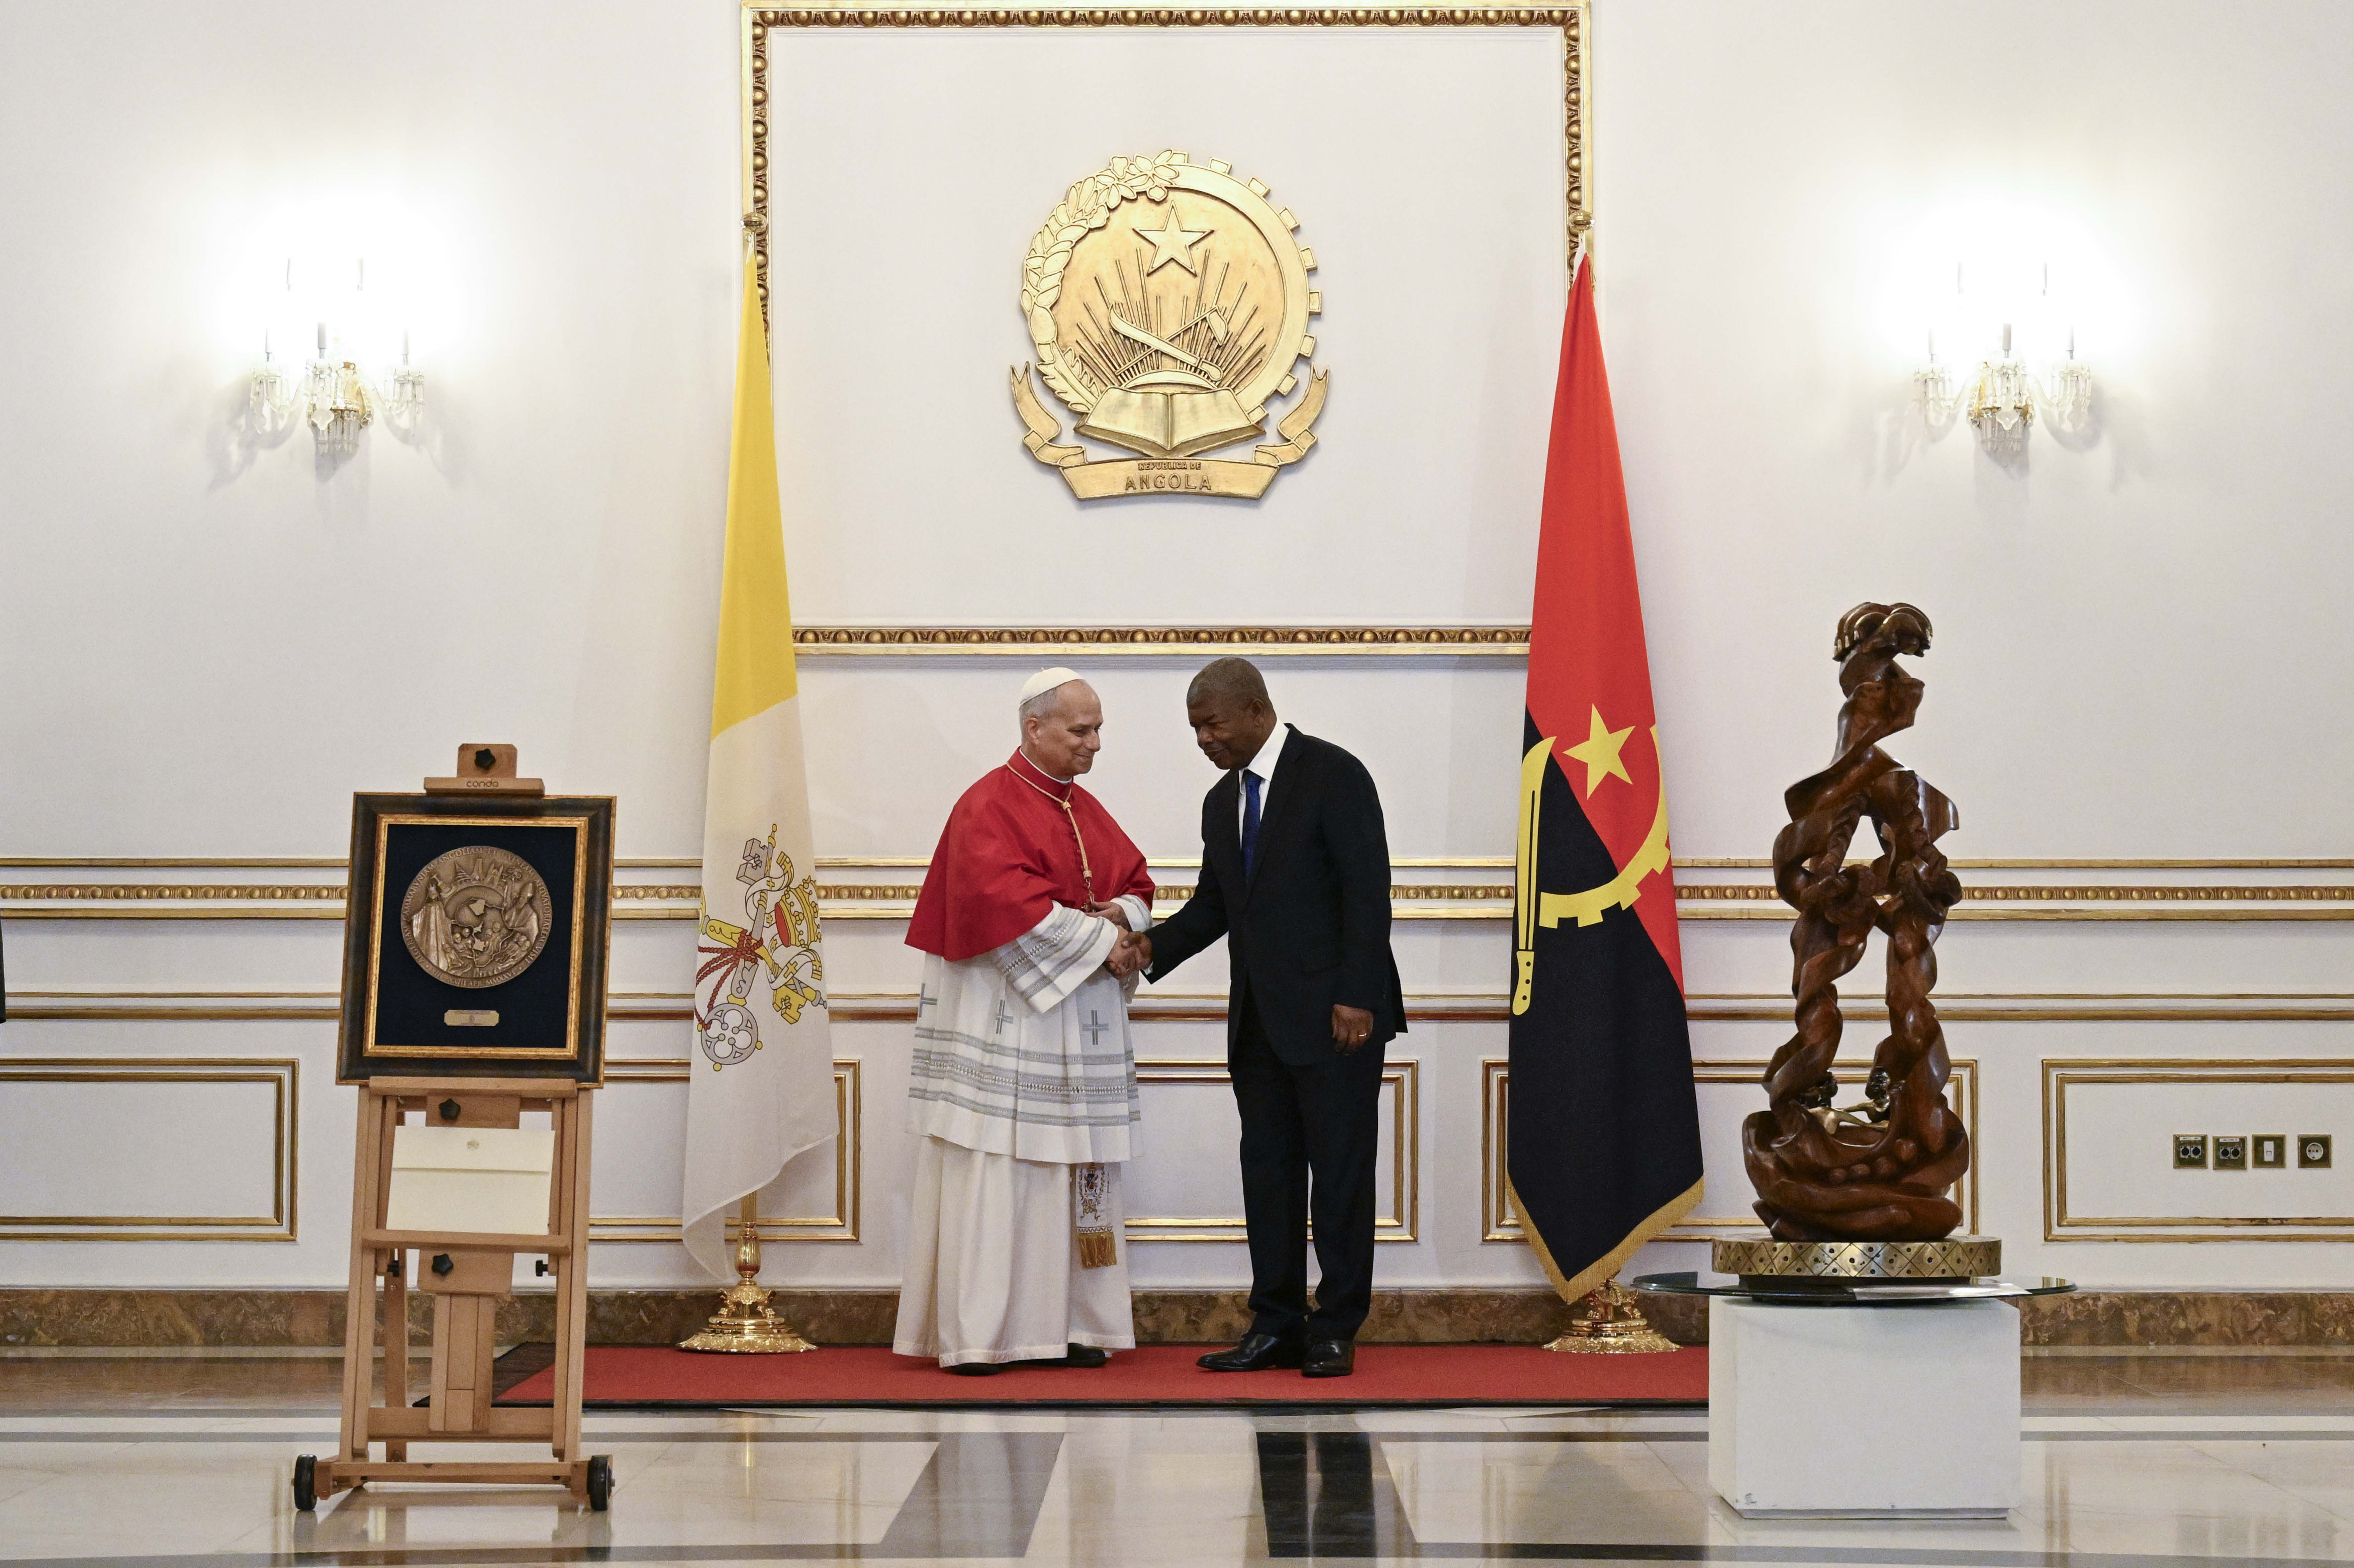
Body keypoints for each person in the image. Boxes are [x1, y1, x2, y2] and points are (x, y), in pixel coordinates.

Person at [1130, 657, 1403, 1378]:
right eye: (1195, 729)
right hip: (1258, 1024)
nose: (1204, 740)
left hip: (1338, 1020)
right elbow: (1216, 906)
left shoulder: (1334, 773)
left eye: (1212, 725)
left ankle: (1336, 1326)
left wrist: (1359, 995)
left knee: (1340, 1177)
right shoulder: (1221, 802)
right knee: (1269, 1175)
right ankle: (1276, 1323)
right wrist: (1150, 948)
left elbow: (1367, 890)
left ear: (1256, 711)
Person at [893, 668, 1155, 1374]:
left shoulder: (1083, 807)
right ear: (1034, 728)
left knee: (1069, 1168)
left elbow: (1136, 883)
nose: (1094, 744)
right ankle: (982, 1335)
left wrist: (1122, 918)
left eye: (1098, 730)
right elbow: (1002, 904)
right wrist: (1104, 942)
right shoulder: (986, 805)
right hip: (1006, 1027)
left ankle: (1065, 1325)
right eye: (1080, 730)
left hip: (1071, 1025)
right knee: (1000, 1167)